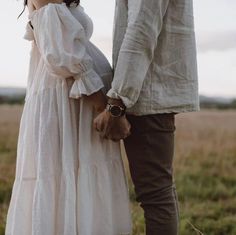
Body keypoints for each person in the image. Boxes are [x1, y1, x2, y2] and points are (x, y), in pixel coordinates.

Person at [5, 0, 132, 234]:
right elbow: (63, 53)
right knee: (65, 177)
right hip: (71, 101)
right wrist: (104, 107)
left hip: (78, 100)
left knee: (83, 180)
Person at [94, 0, 199, 234]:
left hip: (146, 94)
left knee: (156, 195)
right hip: (144, 91)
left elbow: (142, 30)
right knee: (158, 192)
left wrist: (117, 102)